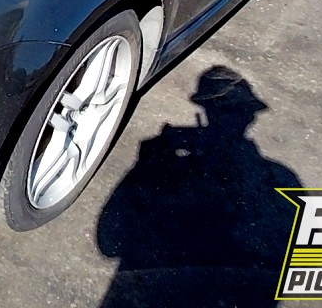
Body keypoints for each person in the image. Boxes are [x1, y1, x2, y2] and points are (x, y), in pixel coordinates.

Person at [96, 66, 302, 308]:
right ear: (250, 115)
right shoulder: (281, 180)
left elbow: (111, 240)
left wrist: (150, 168)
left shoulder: (176, 170)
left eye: (226, 110)